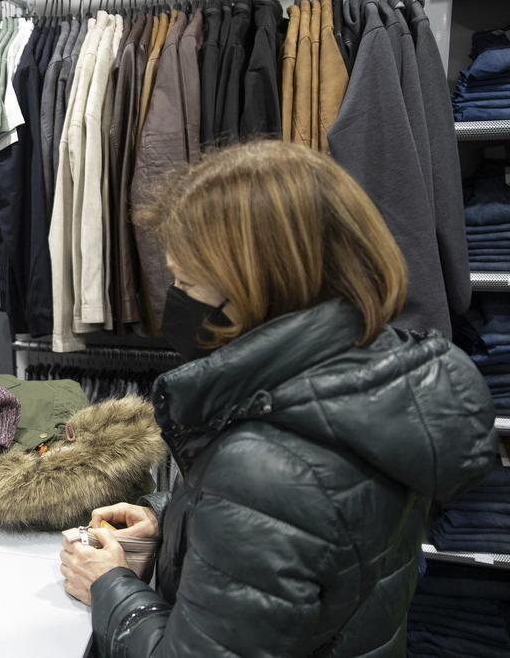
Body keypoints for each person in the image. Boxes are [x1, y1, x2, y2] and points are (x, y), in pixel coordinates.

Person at [59, 141, 500, 656]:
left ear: (254, 289)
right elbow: (318, 546)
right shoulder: (374, 379)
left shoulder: (267, 462)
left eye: (186, 282)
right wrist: (181, 525)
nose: (173, 301)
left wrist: (109, 586)